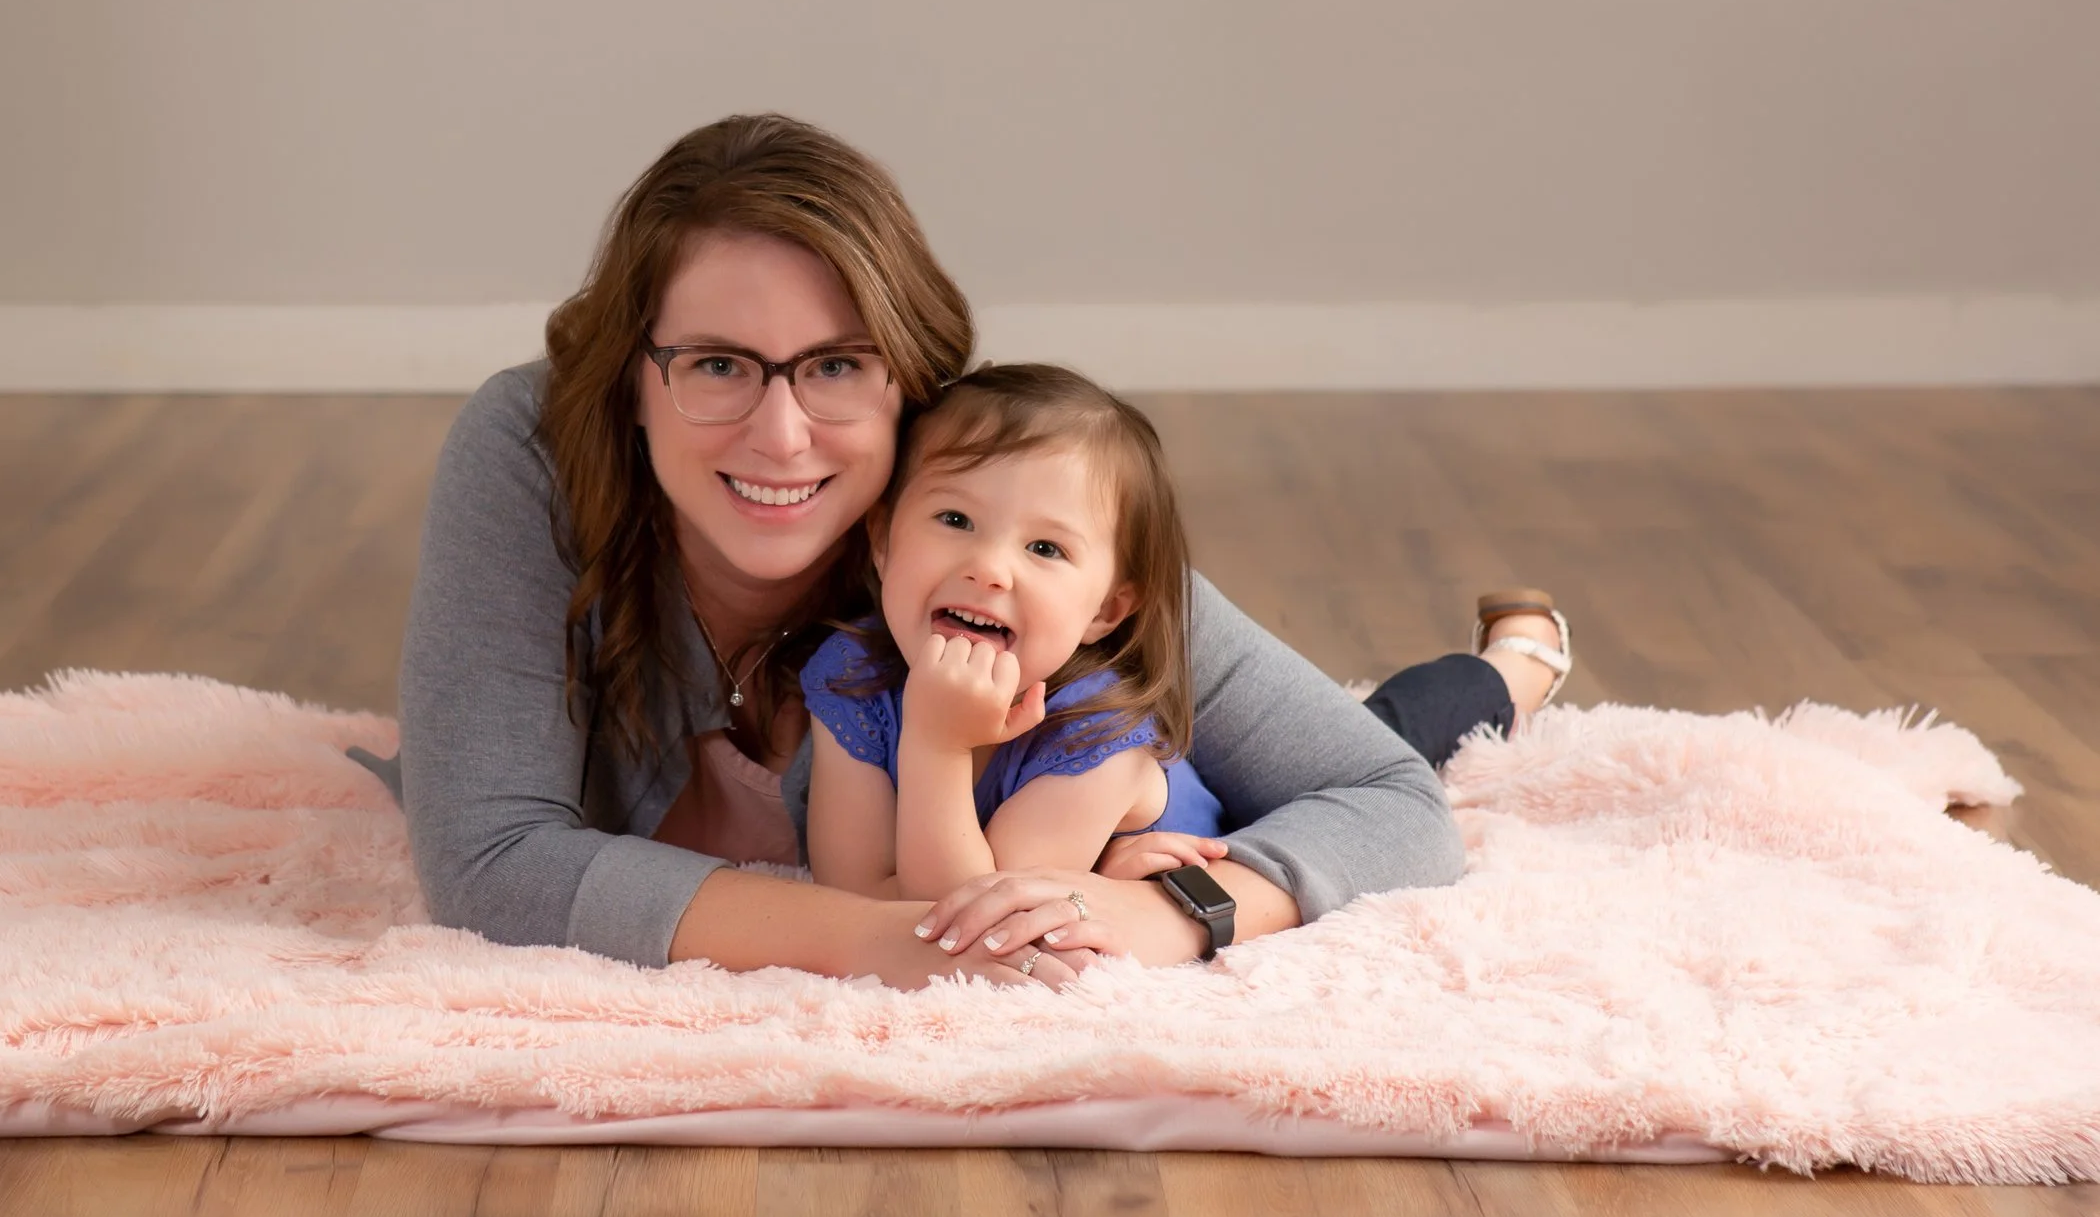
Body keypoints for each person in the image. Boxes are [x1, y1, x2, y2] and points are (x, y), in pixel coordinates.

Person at [373, 113, 1517, 989]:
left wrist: (1171, 914)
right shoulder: (529, 452)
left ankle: (1516, 665)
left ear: (910, 383)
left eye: (835, 365)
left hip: (1141, 786)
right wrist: (895, 942)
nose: (781, 435)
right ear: (631, 377)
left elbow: (1386, 798)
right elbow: (492, 863)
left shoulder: (980, 513)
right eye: (717, 363)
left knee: (1395, 721)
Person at [797, 365, 1573, 928]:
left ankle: (1518, 664)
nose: (988, 567)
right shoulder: (851, 676)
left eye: (1045, 549)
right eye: (955, 521)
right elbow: (855, 895)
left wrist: (933, 741)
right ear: (882, 541)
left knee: (1397, 732)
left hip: (1244, 817)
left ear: (1106, 609)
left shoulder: (1095, 734)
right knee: (1371, 711)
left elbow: (963, 922)